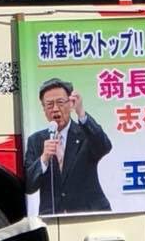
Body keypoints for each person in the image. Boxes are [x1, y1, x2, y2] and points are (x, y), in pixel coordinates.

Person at [24, 77, 111, 215]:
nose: (55, 109)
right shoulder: (35, 141)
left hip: (89, 213)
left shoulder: (85, 133)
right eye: (49, 105)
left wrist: (81, 113)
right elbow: (29, 186)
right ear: (43, 109)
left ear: (70, 104)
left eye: (60, 102)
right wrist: (44, 159)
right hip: (52, 215)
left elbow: (104, 146)